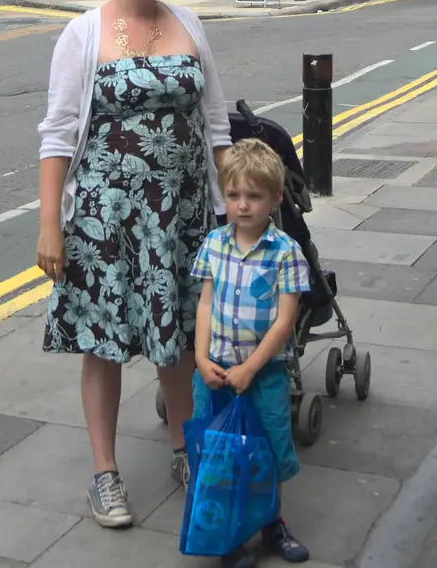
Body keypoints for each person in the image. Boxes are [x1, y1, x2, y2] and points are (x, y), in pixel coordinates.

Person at [37, 0, 231, 530]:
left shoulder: (190, 25)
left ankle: (185, 454)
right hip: (105, 220)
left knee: (177, 339)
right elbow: (59, 133)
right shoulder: (84, 34)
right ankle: (105, 474)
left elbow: (217, 125)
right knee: (105, 345)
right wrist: (51, 225)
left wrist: (235, 212)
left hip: (181, 215)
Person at [190, 139, 311, 568]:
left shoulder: (286, 254)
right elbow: (205, 303)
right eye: (234, 195)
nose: (242, 206)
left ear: (275, 198)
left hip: (265, 375)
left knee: (269, 448)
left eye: (254, 196)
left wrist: (251, 368)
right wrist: (202, 359)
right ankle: (230, 532)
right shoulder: (214, 244)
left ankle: (272, 523)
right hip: (216, 373)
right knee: (220, 451)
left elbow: (285, 321)